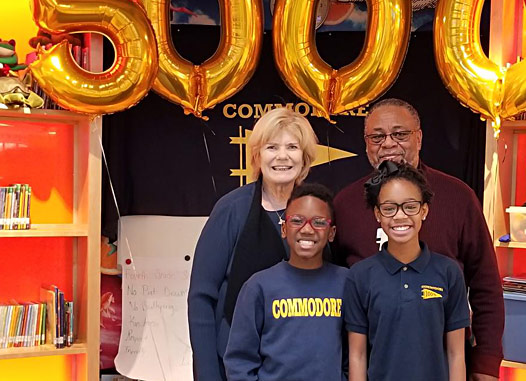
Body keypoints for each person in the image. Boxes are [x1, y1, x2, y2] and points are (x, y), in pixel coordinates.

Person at [333, 98, 504, 381]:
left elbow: (486, 286)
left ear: (419, 138)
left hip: (441, 365)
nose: (388, 144)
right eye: (377, 136)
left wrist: (485, 363)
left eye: (400, 134)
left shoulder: (458, 198)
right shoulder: (345, 203)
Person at [188, 107, 319, 381]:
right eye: (272, 147)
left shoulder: (317, 210)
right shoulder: (231, 210)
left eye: (292, 147)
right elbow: (201, 298)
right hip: (236, 367)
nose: (282, 156)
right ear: (258, 156)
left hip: (302, 364)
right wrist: (208, 374)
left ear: (304, 158)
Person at [346, 161, 469, 381]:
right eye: (389, 208)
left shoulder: (448, 272)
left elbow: (456, 353)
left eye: (410, 206)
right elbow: (357, 354)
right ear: (377, 214)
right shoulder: (360, 276)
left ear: (424, 210)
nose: (400, 216)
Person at [224, 183, 348, 381]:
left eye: (319, 222)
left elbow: (354, 353)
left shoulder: (346, 283)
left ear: (331, 233)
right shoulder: (258, 287)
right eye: (297, 220)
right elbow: (239, 361)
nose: (307, 230)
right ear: (284, 228)